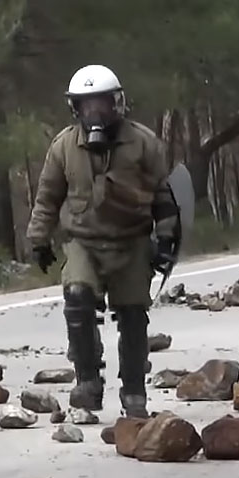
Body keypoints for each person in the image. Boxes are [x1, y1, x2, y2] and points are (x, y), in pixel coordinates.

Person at [27, 64, 179, 418]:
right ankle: (87, 380)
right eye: (86, 105)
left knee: (133, 315)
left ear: (117, 103)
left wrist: (167, 237)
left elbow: (163, 193)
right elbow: (48, 196)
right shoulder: (64, 146)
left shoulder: (143, 142)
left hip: (131, 240)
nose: (95, 112)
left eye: (102, 104)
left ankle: (134, 390)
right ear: (75, 109)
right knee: (77, 300)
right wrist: (39, 239)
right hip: (83, 241)